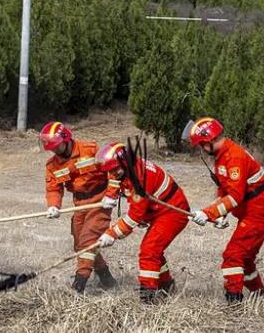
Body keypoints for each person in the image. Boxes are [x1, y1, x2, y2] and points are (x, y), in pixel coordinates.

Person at [185, 117, 264, 302]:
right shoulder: (222, 156)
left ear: (209, 140)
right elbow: (226, 190)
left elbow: (235, 196)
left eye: (201, 145)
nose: (202, 150)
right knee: (245, 258)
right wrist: (221, 214)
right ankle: (259, 295)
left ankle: (234, 301)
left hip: (259, 212)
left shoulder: (233, 157)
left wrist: (208, 213)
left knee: (232, 256)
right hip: (254, 211)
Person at [95, 141, 189, 304]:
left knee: (149, 250)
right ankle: (166, 284)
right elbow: (114, 178)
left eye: (114, 169)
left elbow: (134, 217)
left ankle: (149, 296)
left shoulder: (140, 179)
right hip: (157, 211)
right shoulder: (123, 168)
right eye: (110, 170)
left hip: (172, 212)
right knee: (154, 250)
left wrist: (111, 234)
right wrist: (110, 196)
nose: (112, 173)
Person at [40, 121, 118, 293]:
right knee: (79, 245)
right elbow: (53, 188)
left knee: (88, 241)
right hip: (79, 204)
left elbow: (113, 169)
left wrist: (112, 195)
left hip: (100, 201)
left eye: (57, 147)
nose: (54, 151)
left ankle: (79, 282)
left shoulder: (90, 149)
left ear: (67, 140)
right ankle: (105, 277)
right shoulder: (52, 165)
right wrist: (53, 206)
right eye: (51, 148)